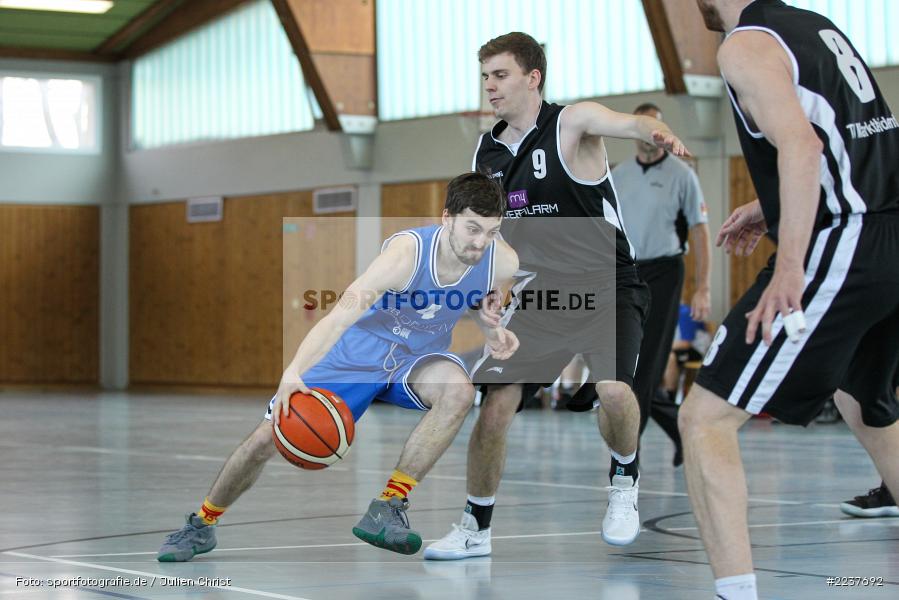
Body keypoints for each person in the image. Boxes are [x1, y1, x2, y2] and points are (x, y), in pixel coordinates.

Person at [156, 172, 520, 561]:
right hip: (357, 355)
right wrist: (292, 372)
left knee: (459, 390)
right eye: (472, 229)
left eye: (491, 231)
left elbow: (479, 302)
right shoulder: (405, 255)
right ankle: (202, 524)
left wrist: (491, 329)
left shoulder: (502, 260)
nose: (481, 242)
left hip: (415, 360)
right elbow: (337, 320)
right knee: (265, 439)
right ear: (447, 218)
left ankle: (388, 506)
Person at [424, 31, 690, 560]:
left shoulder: (572, 123)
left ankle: (623, 481)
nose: (490, 87)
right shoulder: (489, 150)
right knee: (495, 407)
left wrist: (655, 130)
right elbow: (491, 231)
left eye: (499, 75)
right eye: (485, 77)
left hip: (607, 284)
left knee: (614, 391)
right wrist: (489, 288)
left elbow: (628, 123)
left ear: (532, 77)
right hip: (540, 296)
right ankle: (476, 529)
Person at [682, 2, 899, 599]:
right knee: (866, 405)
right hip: (888, 234)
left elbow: (800, 148)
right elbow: (855, 137)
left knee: (705, 418)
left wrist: (793, 268)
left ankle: (736, 593)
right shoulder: (815, 28)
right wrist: (769, 205)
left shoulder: (743, 45)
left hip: (845, 241)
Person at [613, 102, 712, 466]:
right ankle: (680, 431)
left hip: (665, 273)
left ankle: (625, 459)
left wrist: (703, 287)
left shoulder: (682, 175)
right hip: (626, 273)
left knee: (647, 363)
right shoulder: (618, 176)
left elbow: (700, 233)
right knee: (634, 370)